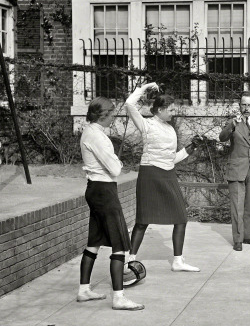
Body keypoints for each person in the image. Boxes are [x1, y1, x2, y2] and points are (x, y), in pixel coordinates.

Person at [125, 82, 201, 272]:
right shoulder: (146, 124)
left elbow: (172, 158)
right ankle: (129, 259)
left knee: (181, 218)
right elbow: (128, 105)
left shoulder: (170, 129)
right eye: (171, 110)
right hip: (150, 173)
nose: (173, 113)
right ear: (159, 110)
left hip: (168, 174)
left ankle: (178, 261)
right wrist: (144, 88)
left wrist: (190, 148)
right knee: (143, 220)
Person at [78, 97, 144, 311]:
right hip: (104, 191)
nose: (114, 118)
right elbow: (115, 169)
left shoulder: (90, 132)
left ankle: (84, 289)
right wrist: (118, 162)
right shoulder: (97, 137)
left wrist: (116, 161)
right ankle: (119, 297)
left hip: (96, 189)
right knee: (119, 245)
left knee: (94, 241)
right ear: (103, 115)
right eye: (112, 114)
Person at [219, 91, 250, 251]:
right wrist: (232, 125)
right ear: (239, 105)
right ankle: (238, 239)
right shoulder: (233, 122)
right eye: (243, 104)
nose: (246, 108)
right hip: (237, 170)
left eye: (249, 105)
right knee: (237, 206)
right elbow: (222, 137)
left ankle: (249, 236)